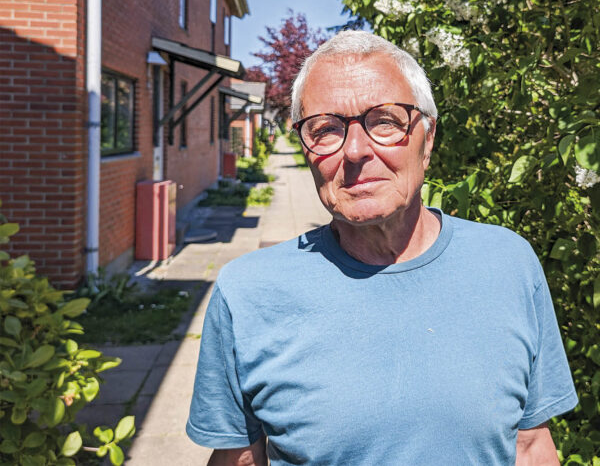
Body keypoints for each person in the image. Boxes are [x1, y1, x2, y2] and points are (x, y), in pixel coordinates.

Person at [186, 31, 577, 465]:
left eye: (385, 122)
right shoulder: (248, 294)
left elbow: (530, 446)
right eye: (325, 129)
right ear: (306, 150)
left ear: (427, 140)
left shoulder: (508, 265)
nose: (355, 150)